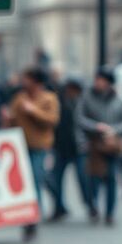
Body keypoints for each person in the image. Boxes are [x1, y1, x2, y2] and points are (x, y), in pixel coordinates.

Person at [7, 67, 60, 241]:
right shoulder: (20, 98)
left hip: (39, 147)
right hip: (19, 146)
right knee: (24, 184)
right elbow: (11, 118)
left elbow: (52, 120)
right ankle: (28, 217)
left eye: (27, 79)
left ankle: (33, 219)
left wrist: (33, 111)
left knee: (36, 180)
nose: (24, 82)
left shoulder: (49, 98)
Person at [76, 67, 122, 225]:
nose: (98, 82)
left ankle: (110, 213)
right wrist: (96, 127)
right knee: (93, 178)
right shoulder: (87, 97)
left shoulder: (119, 99)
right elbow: (79, 118)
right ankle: (93, 206)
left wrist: (113, 130)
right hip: (93, 145)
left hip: (111, 145)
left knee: (112, 178)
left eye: (101, 79)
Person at [49, 79, 88, 221]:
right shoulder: (59, 102)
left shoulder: (82, 103)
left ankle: (90, 205)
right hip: (61, 147)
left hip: (78, 147)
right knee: (54, 179)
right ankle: (59, 207)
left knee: (84, 179)